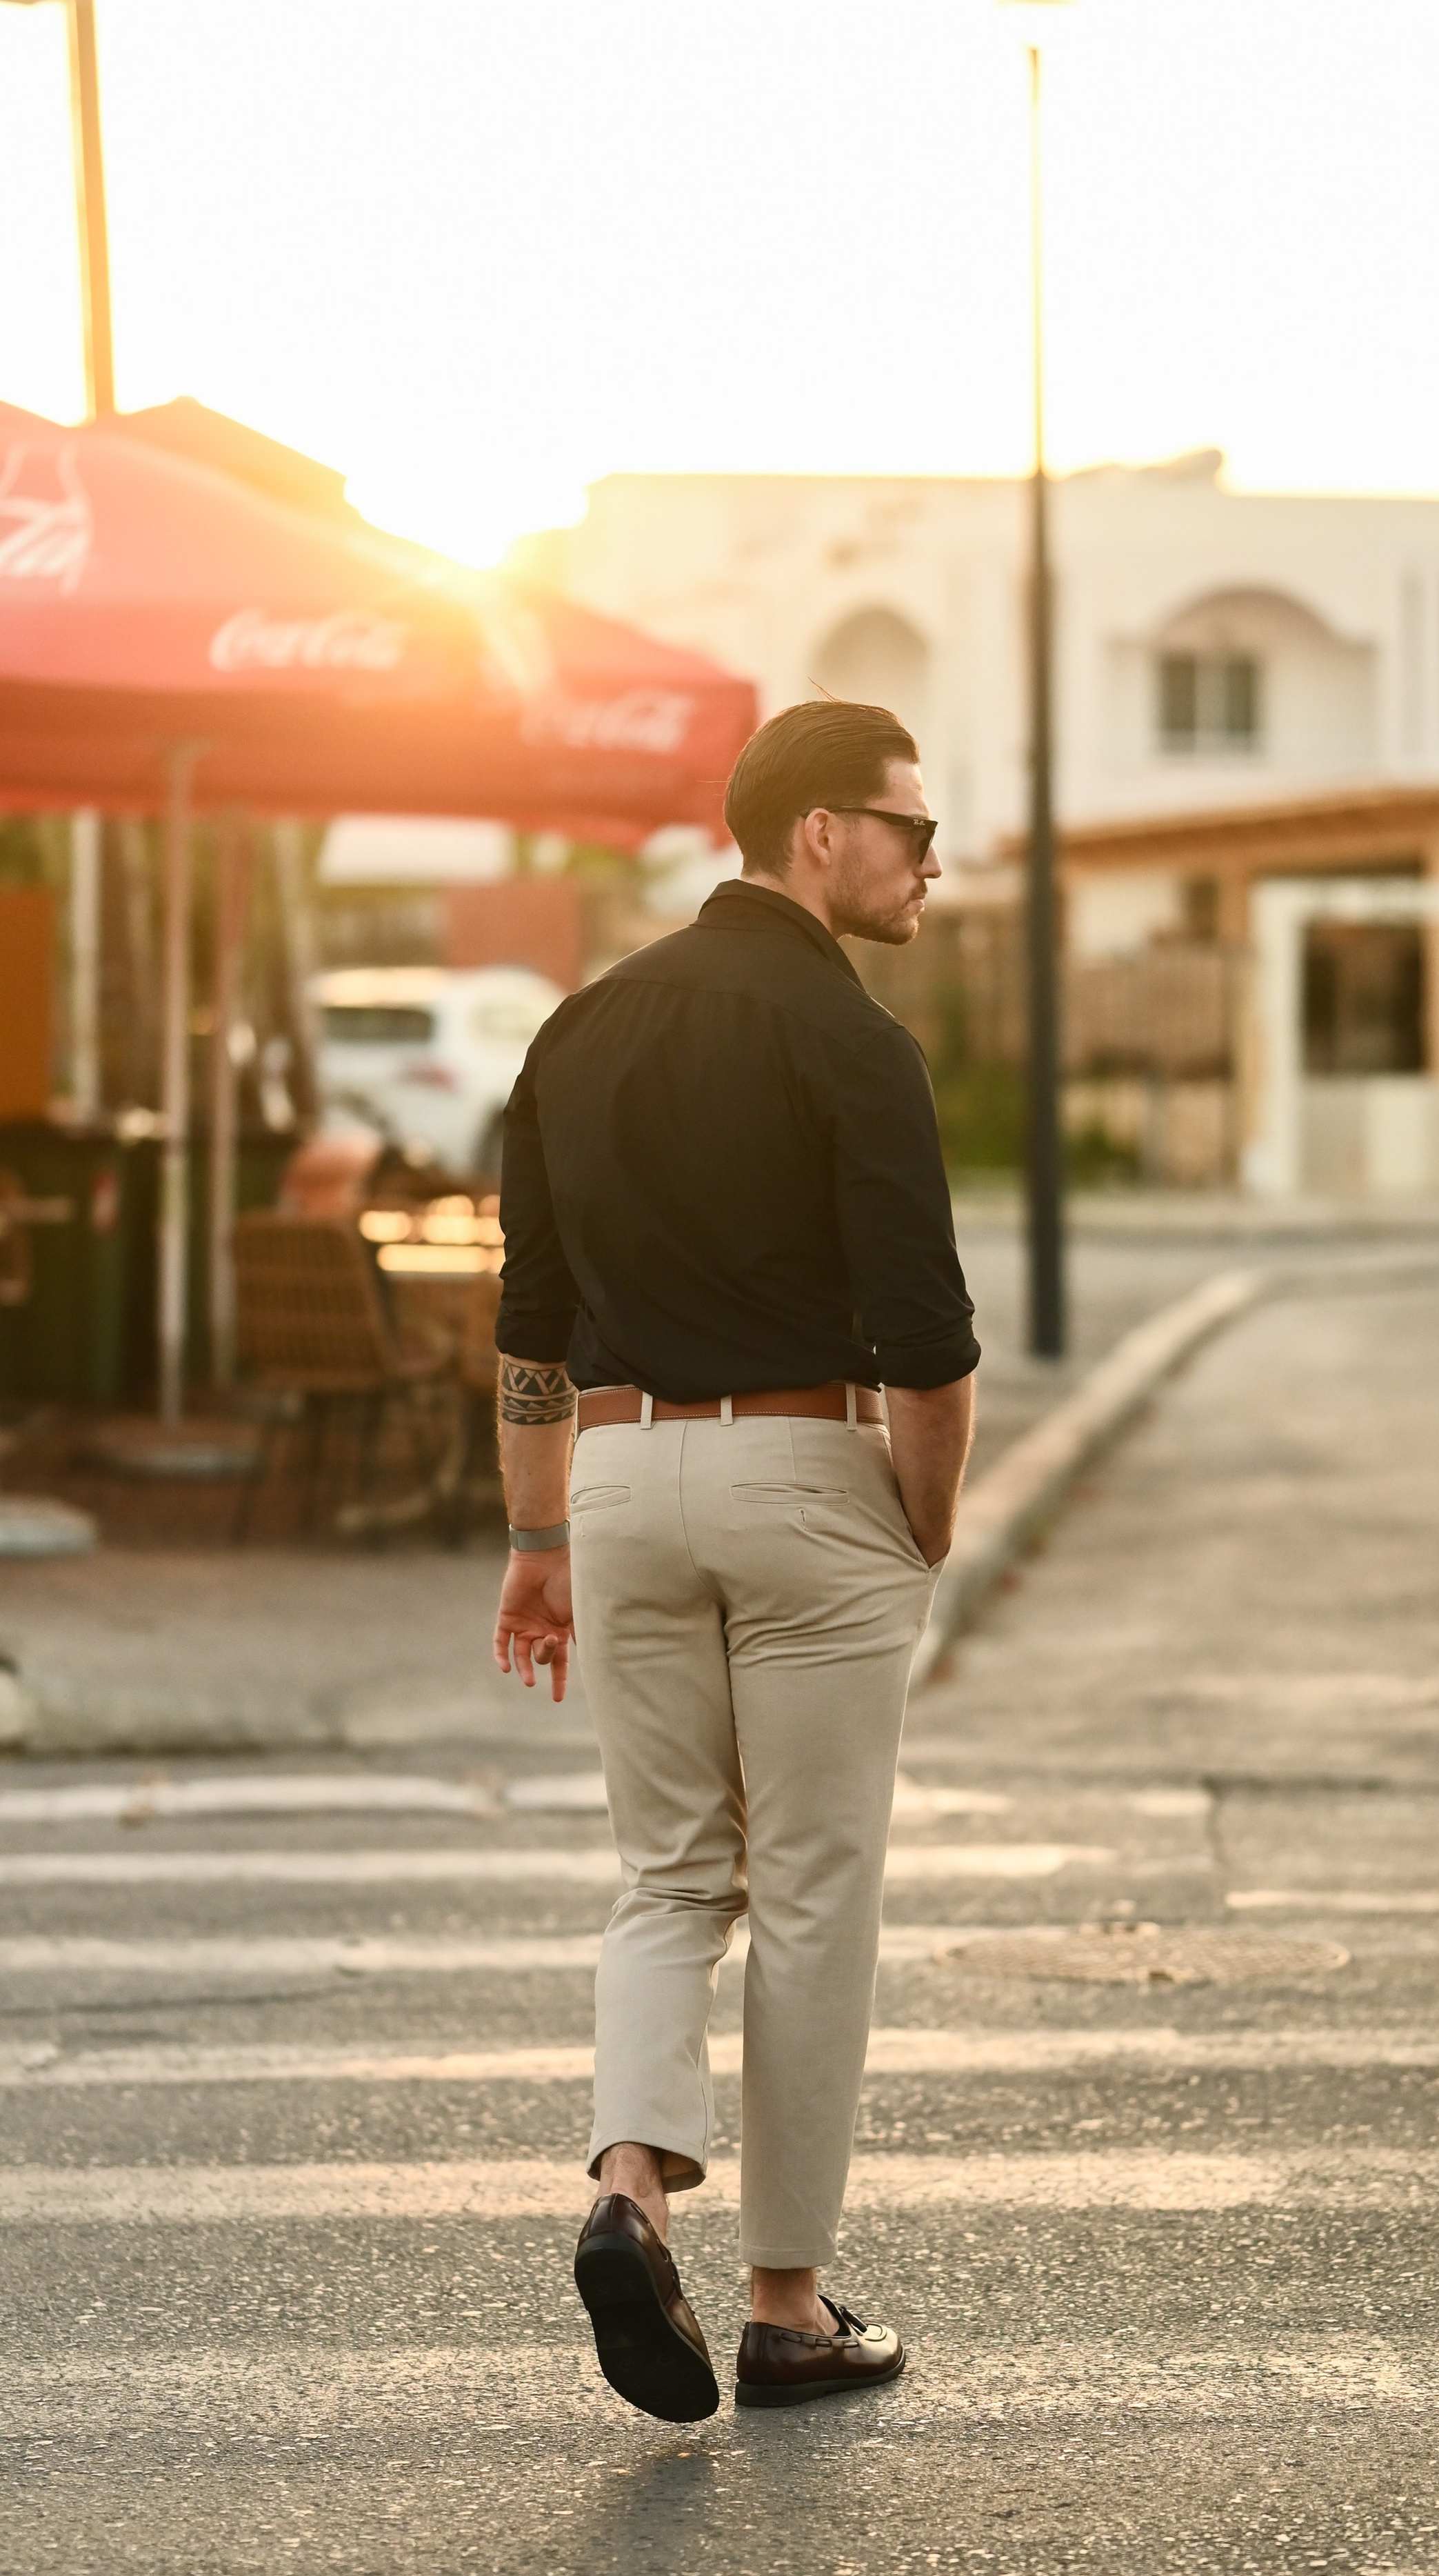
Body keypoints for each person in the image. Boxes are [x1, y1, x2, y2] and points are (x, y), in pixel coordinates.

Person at [491, 700, 978, 2419]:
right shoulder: (856, 1045)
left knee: (669, 1874)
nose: (934, 858)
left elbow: (531, 1327)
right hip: (803, 1469)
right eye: (912, 829)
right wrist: (917, 1522)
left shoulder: (575, 1030)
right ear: (819, 836)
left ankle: (629, 2186)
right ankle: (784, 2306)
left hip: (616, 1477)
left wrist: (537, 1535)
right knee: (817, 1891)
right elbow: (925, 1340)